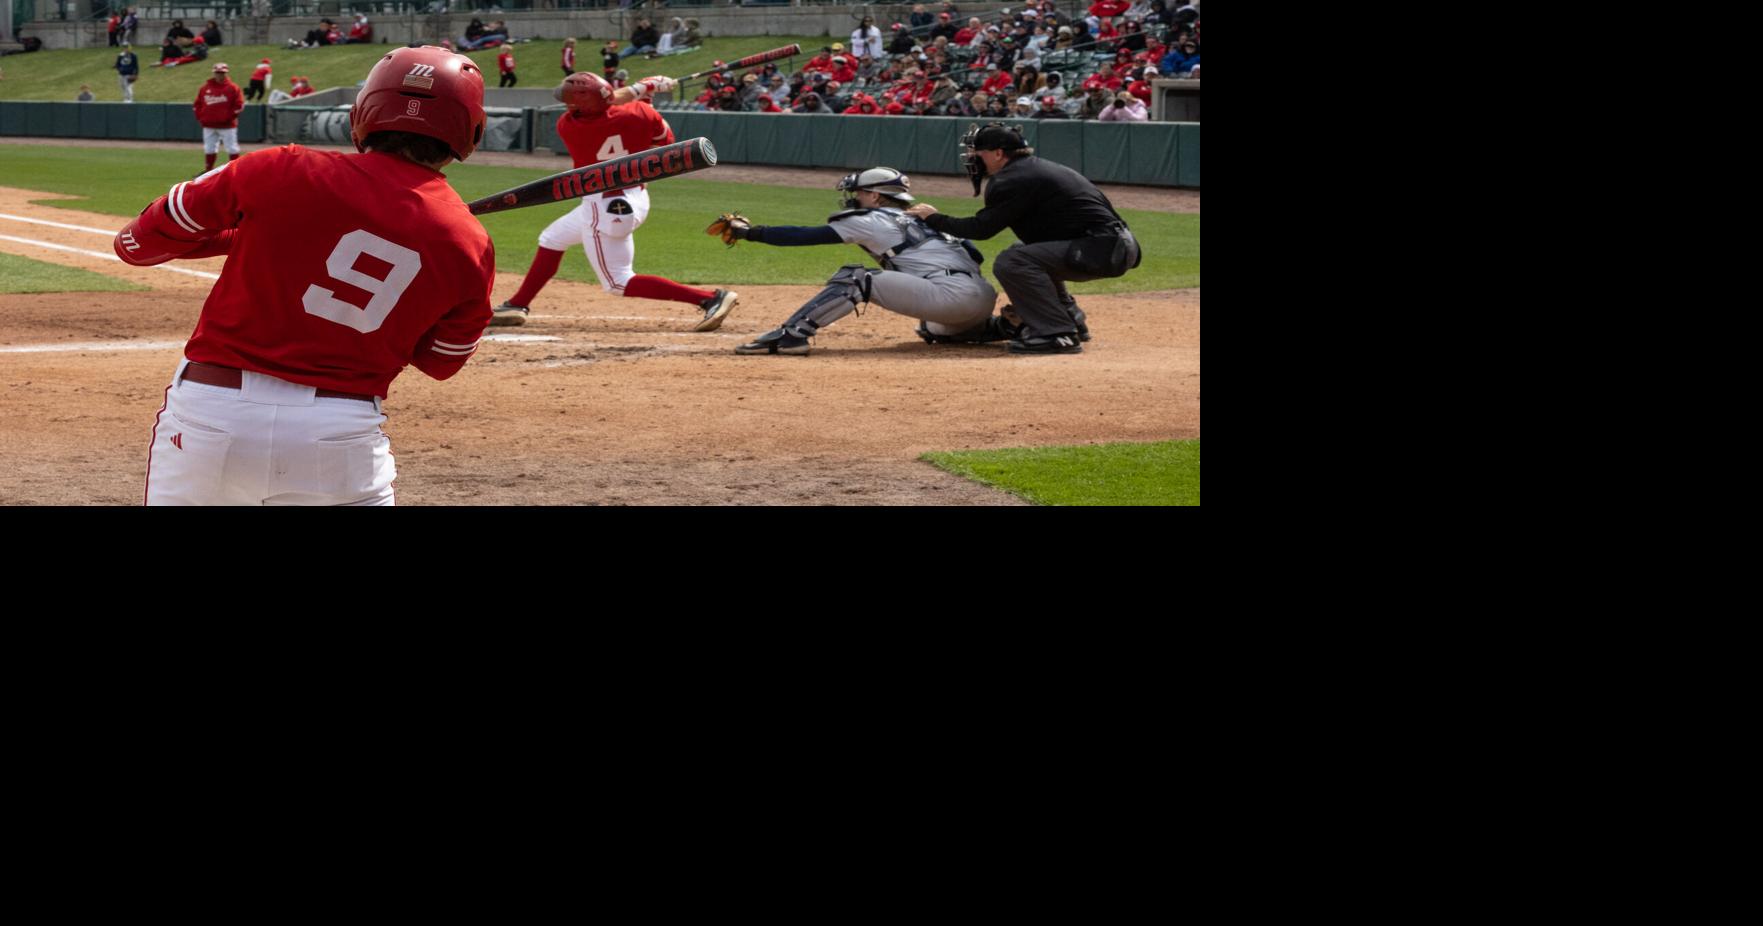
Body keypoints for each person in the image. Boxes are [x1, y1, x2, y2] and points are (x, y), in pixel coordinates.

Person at [114, 46, 496, 505]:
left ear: (364, 111)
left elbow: (136, 245)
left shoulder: (280, 168)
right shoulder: (468, 242)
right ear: (470, 129)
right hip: (339, 434)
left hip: (211, 415)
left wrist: (262, 236)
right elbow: (440, 362)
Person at [489, 71, 738, 331]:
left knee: (618, 282)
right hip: (635, 195)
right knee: (553, 238)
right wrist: (646, 94)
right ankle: (518, 304)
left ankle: (710, 298)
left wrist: (641, 88)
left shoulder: (569, 126)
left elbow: (610, 105)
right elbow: (662, 142)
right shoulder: (640, 112)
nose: (567, 104)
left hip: (604, 204)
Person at [714, 168, 1002, 356]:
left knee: (857, 277)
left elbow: (806, 236)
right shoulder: (930, 218)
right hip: (982, 297)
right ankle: (996, 327)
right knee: (929, 327)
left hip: (949, 297)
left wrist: (750, 232)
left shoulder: (873, 219)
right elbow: (975, 255)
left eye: (859, 193)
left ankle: (792, 336)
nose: (855, 198)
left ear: (875, 195)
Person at [907, 123, 1138, 354]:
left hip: (1101, 249)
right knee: (1029, 251)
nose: (973, 157)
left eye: (978, 152)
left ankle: (1056, 333)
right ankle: (1071, 319)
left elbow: (982, 229)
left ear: (998, 153)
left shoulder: (1012, 179)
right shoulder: (1034, 169)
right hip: (1115, 245)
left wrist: (934, 218)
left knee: (1014, 260)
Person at [193, 63, 244, 173]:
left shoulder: (233, 88)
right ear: (214, 73)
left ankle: (236, 171)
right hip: (209, 124)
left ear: (226, 73)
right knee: (209, 148)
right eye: (218, 73)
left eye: (222, 73)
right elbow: (197, 105)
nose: (220, 75)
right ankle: (208, 170)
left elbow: (239, 105)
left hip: (227, 125)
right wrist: (201, 117)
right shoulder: (205, 88)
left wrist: (229, 117)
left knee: (232, 148)